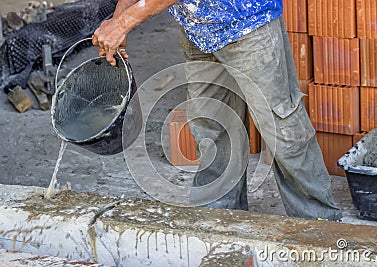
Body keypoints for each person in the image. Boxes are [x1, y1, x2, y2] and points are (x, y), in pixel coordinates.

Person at [93, 0, 343, 221]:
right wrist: (119, 17)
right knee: (212, 126)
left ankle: (317, 222)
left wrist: (123, 23)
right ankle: (220, 217)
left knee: (282, 129)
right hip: (199, 30)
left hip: (248, 23)